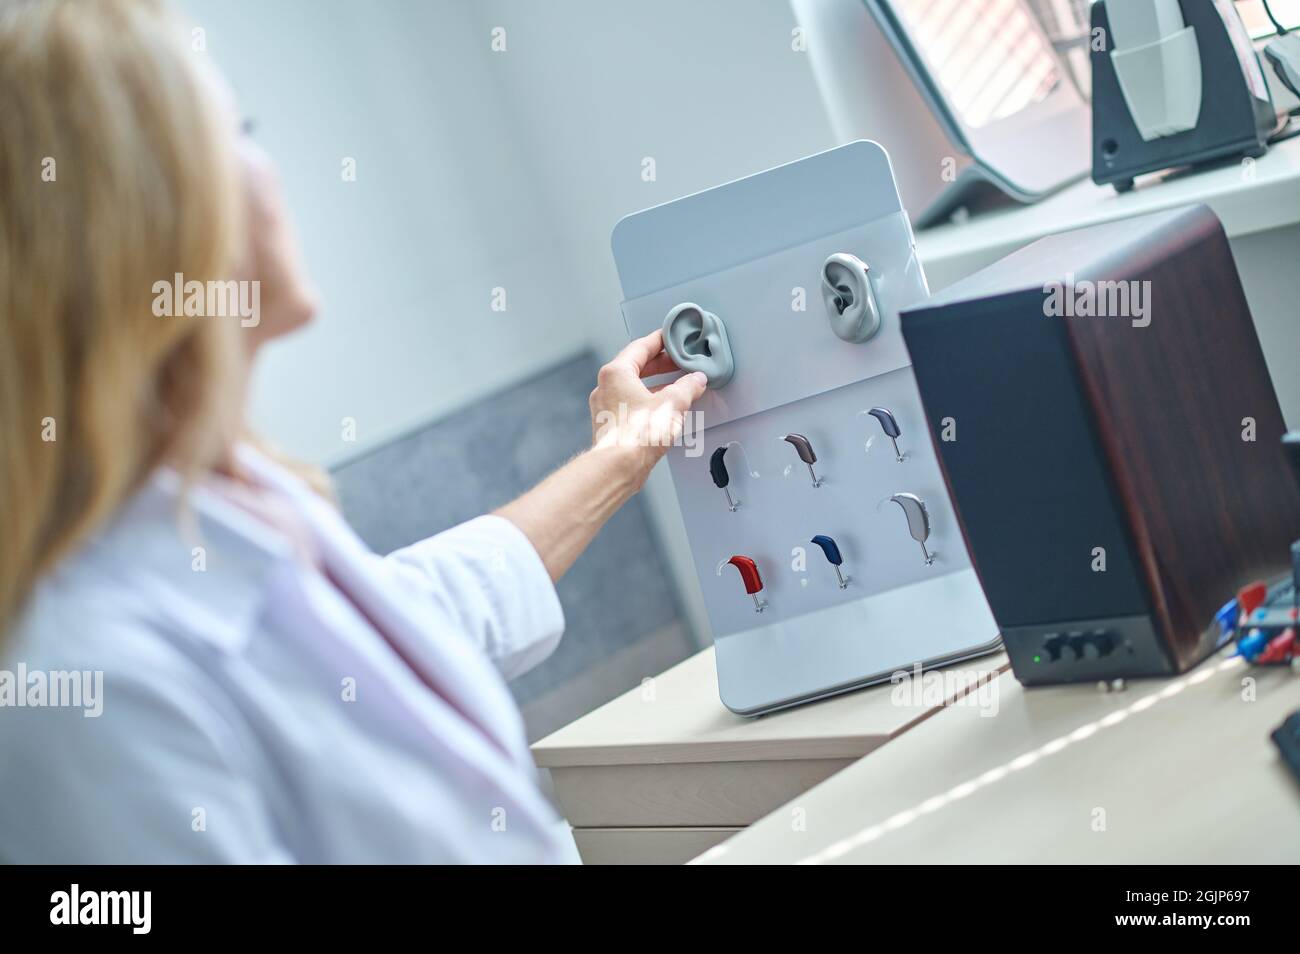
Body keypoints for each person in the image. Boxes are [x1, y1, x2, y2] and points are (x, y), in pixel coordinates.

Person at [0, 0, 707, 863]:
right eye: (239, 131)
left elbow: (422, 612)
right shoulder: (91, 689)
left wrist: (618, 456)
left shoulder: (230, 507)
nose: (269, 168)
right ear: (149, 222)